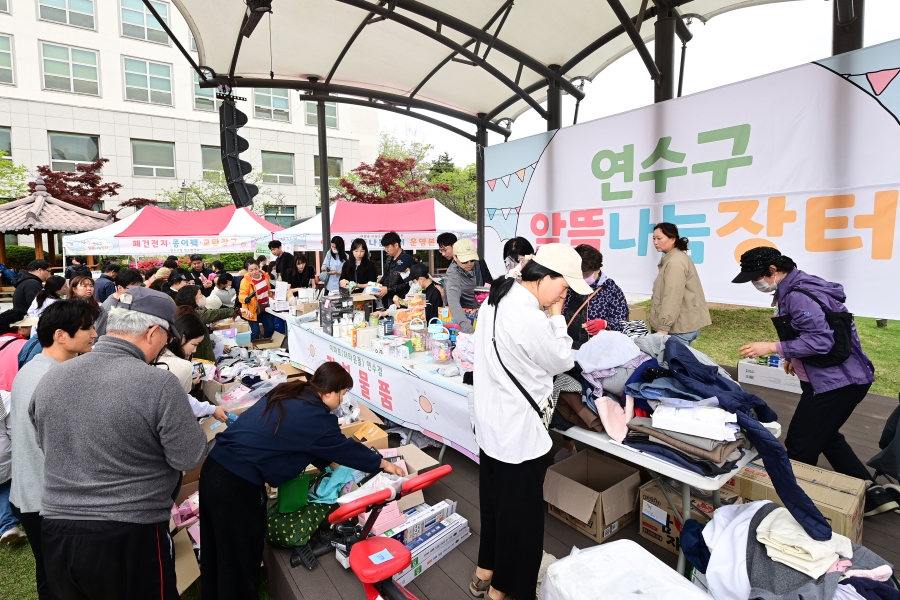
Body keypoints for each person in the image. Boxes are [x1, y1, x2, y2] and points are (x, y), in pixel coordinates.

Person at [30, 288, 207, 599]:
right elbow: (188, 455)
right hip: (130, 531)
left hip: (57, 529)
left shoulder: (52, 378)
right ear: (154, 332)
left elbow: (46, 442)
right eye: (167, 335)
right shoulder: (159, 383)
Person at [199, 362, 404, 600]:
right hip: (236, 486)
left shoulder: (291, 392)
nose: (342, 400)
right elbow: (346, 448)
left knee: (216, 549)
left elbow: (300, 439)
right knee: (240, 558)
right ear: (329, 392)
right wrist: (385, 464)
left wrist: (328, 463)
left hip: (214, 469)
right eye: (343, 393)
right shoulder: (316, 416)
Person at [732, 246, 897, 517]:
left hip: (837, 383)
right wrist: (794, 356)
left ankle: (798, 510)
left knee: (800, 444)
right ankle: (870, 493)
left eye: (756, 276)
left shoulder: (798, 296)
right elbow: (813, 336)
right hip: (838, 378)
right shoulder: (797, 288)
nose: (755, 282)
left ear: (773, 270)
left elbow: (822, 340)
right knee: (827, 435)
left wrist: (774, 347)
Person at [471, 244, 587, 600]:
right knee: (521, 523)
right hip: (517, 433)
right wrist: (555, 315)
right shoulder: (530, 316)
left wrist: (549, 307)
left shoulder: (499, 295)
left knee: (494, 505)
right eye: (564, 287)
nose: (564, 296)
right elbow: (562, 359)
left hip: (492, 425)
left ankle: (483, 573)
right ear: (544, 276)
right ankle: (505, 590)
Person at [9, 300, 98, 595]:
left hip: (30, 491)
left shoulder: (33, 367)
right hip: (48, 499)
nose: (95, 334)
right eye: (87, 328)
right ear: (61, 335)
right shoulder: (57, 378)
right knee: (63, 580)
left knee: (49, 572)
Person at [0, 310, 35, 546]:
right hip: (14, 401)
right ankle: (7, 523)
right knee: (6, 479)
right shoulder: (24, 346)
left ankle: (7, 524)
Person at [155, 313, 228, 422]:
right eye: (194, 344)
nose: (194, 350)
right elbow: (183, 401)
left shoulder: (159, 352)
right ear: (183, 338)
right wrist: (212, 409)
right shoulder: (181, 366)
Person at [648, 222, 711, 346]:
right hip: (683, 325)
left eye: (659, 238)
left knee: (674, 364)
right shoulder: (674, 258)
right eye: (654, 238)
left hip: (677, 328)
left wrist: (663, 328)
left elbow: (672, 296)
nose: (655, 242)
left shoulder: (675, 262)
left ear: (672, 239)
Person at [563, 244, 630, 345]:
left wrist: (605, 324)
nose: (581, 277)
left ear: (597, 269)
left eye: (585, 274)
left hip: (596, 349)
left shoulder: (611, 290)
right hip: (567, 346)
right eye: (578, 272)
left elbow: (623, 324)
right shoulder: (568, 285)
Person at [174, 285, 241, 362]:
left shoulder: (186, 311)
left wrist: (209, 329)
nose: (203, 296)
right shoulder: (192, 313)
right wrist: (236, 311)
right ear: (191, 297)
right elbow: (214, 313)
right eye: (200, 294)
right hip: (200, 358)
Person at [445, 238, 493, 334]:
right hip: (461, 321)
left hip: (476, 315)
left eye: (472, 260)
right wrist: (468, 330)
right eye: (465, 261)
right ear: (455, 257)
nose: (469, 264)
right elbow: (454, 304)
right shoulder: (453, 275)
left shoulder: (477, 266)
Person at [239, 260, 276, 341]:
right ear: (247, 270)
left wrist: (272, 298)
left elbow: (268, 290)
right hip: (252, 310)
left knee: (270, 328)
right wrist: (245, 298)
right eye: (251, 270)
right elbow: (241, 294)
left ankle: (263, 343)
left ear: (259, 267)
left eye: (256, 269)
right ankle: (251, 348)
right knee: (256, 331)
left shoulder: (265, 276)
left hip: (265, 308)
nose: (254, 272)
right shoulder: (245, 281)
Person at [378, 231, 412, 305]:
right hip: (387, 299)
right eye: (385, 247)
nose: (386, 250)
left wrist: (388, 289)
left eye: (387, 247)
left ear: (396, 245)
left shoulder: (406, 259)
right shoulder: (389, 259)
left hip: (399, 299)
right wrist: (378, 285)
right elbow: (385, 275)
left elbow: (408, 283)